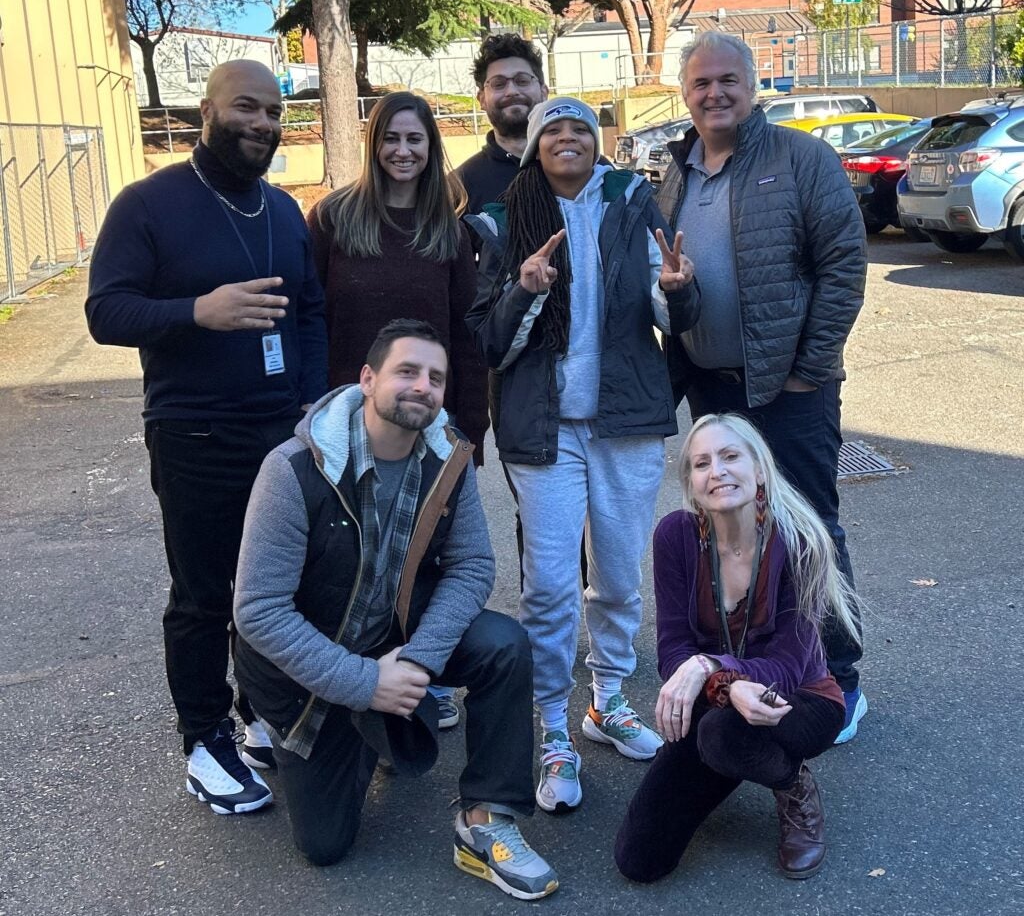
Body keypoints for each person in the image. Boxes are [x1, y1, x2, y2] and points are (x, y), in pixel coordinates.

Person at [231, 319, 558, 901]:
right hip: (308, 668)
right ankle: (369, 727)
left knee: (504, 646)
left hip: (395, 635)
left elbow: (473, 566)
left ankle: (486, 822)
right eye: (407, 371)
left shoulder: (448, 459)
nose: (423, 387)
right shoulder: (293, 469)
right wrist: (364, 684)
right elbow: (259, 611)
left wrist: (418, 663)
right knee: (325, 845)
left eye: (436, 377)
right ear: (366, 379)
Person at [84, 59, 328, 812]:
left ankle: (256, 711)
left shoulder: (283, 210)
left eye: (274, 114)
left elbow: (309, 311)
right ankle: (203, 738)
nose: (261, 123)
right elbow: (105, 312)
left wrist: (310, 408)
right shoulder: (148, 204)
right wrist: (197, 311)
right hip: (193, 432)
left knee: (277, 587)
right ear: (207, 110)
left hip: (281, 437)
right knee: (204, 595)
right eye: (246, 108)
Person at [466, 97, 700, 813]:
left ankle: (606, 701)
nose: (567, 139)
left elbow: (674, 309)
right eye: (552, 131)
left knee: (621, 575)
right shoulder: (501, 222)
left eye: (580, 131)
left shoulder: (633, 200)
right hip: (544, 427)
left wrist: (677, 293)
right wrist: (525, 292)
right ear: (534, 148)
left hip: (624, 418)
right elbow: (486, 341)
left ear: (597, 146)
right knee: (549, 588)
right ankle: (553, 729)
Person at [656, 31, 868, 743]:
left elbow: (843, 264)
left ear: (752, 84)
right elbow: (675, 288)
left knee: (810, 528)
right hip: (711, 393)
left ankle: (838, 675)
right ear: (684, 96)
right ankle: (753, 663)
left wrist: (809, 368)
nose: (714, 94)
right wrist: (678, 304)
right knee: (731, 533)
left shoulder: (801, 159)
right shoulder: (675, 176)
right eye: (700, 84)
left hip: (791, 389)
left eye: (726, 80)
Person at [307, 91, 488, 729]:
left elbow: (467, 335)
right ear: (373, 144)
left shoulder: (448, 230)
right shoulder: (333, 219)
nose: (402, 152)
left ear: (431, 147)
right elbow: (311, 319)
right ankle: (344, 677)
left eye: (415, 140)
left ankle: (416, 673)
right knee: (349, 551)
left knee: (422, 552)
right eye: (391, 139)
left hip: (425, 423)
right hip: (343, 422)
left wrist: (470, 427)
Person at [615, 414, 860, 882]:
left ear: (760, 469)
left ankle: (792, 784)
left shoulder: (801, 541)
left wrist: (712, 669)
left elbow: (789, 664)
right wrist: (726, 688)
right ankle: (732, 753)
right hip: (718, 704)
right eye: (702, 463)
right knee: (640, 860)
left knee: (724, 736)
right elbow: (672, 649)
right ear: (690, 482)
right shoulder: (675, 536)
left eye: (730, 456)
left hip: (801, 699)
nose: (717, 471)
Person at [457, 32, 549, 214]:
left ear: (544, 91)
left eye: (522, 81)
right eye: (498, 84)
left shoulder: (587, 169)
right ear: (481, 99)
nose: (512, 91)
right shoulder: (460, 187)